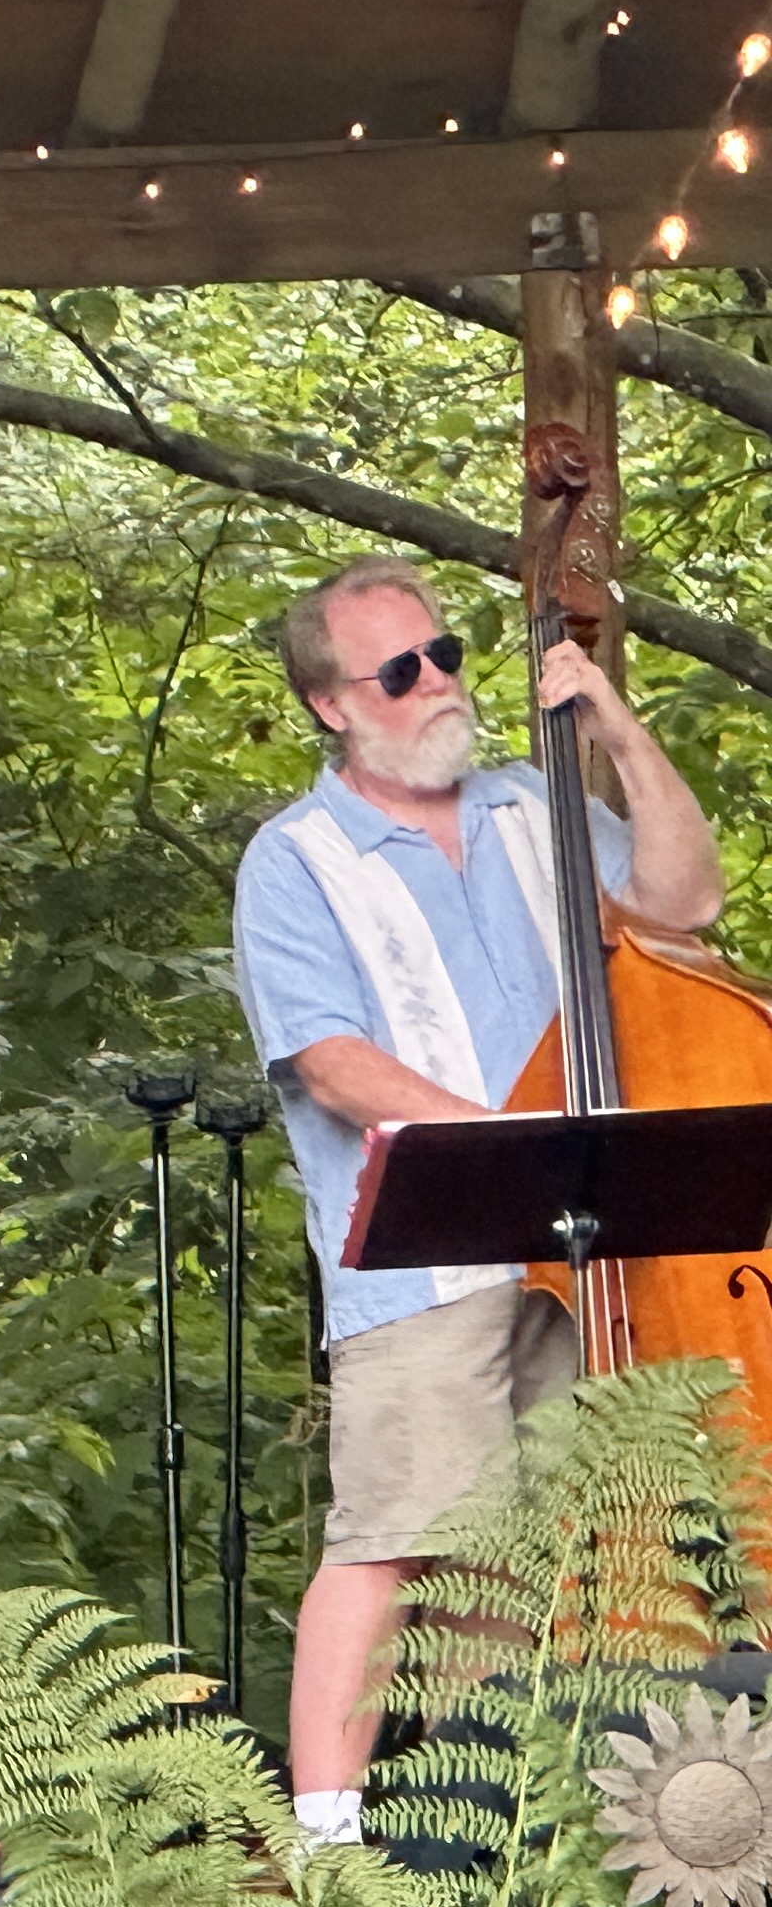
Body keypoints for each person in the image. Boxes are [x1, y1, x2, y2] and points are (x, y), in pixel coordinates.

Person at [230, 556, 723, 1842]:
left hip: (583, 1248)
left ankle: (486, 1830)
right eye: (399, 670)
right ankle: (327, 1843)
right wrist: (518, 1145)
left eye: (444, 653)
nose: (438, 682)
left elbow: (685, 903)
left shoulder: (532, 804)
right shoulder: (296, 858)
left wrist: (616, 725)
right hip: (426, 1254)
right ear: (331, 704)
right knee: (396, 1534)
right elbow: (332, 1062)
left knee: (537, 1558)